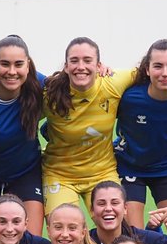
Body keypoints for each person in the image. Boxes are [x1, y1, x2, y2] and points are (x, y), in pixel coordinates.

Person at [40, 37, 136, 214]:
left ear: (99, 65)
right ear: (66, 66)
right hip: (59, 176)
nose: (81, 67)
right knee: (65, 224)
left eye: (87, 60)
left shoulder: (112, 84)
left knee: (116, 225)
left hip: (102, 173)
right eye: (74, 61)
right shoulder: (50, 94)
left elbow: (151, 66)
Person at [113, 39, 167, 231]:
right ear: (147, 69)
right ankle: (151, 232)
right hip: (130, 167)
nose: (165, 73)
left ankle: (153, 232)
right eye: (158, 66)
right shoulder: (128, 97)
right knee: (131, 238)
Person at [0, 35, 46, 235]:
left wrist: (103, 71)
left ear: (28, 65)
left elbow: (74, 83)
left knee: (30, 240)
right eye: (5, 64)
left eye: (18, 64)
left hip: (25, 171)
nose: (12, 71)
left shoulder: (39, 86)